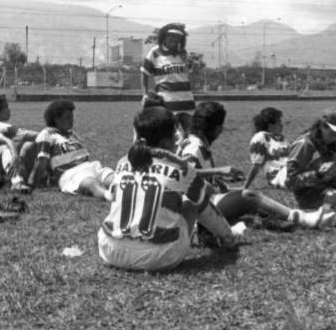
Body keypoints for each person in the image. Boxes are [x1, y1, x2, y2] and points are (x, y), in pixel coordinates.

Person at [98, 104, 237, 271]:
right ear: (165, 141)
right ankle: (228, 237)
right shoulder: (179, 166)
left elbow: (115, 196)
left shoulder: (123, 162)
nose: (177, 141)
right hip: (158, 257)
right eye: (175, 136)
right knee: (193, 200)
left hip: (110, 251)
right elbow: (202, 196)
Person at [179, 101, 334, 229]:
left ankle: (280, 220)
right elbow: (181, 172)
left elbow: (199, 180)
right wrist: (220, 170)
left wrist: (222, 183)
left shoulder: (198, 144)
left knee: (245, 197)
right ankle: (302, 217)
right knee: (246, 196)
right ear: (217, 128)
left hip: (201, 205)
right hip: (197, 212)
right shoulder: (194, 147)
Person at [27, 100, 113, 199]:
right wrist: (30, 184)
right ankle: (110, 196)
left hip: (91, 166)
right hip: (70, 173)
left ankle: (127, 192)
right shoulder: (47, 134)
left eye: (72, 117)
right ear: (56, 119)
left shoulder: (72, 134)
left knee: (113, 177)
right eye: (68, 118)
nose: (72, 120)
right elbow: (42, 162)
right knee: (90, 183)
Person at [141, 22, 195, 135]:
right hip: (167, 103)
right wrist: (145, 94)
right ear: (164, 36)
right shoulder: (154, 52)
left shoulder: (183, 53)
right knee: (171, 136)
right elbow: (145, 74)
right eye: (170, 36)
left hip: (187, 103)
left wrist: (188, 61)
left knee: (191, 136)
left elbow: (190, 74)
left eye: (177, 37)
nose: (173, 39)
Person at [0, 94, 39, 187]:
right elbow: (37, 136)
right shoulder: (0, 126)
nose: (9, 109)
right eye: (6, 107)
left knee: (21, 143)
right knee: (31, 144)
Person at [243, 107, 290, 189]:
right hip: (279, 176)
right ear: (270, 125)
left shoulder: (283, 139)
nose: (282, 125)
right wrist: (245, 186)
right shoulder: (261, 137)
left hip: (290, 170)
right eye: (279, 122)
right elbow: (256, 165)